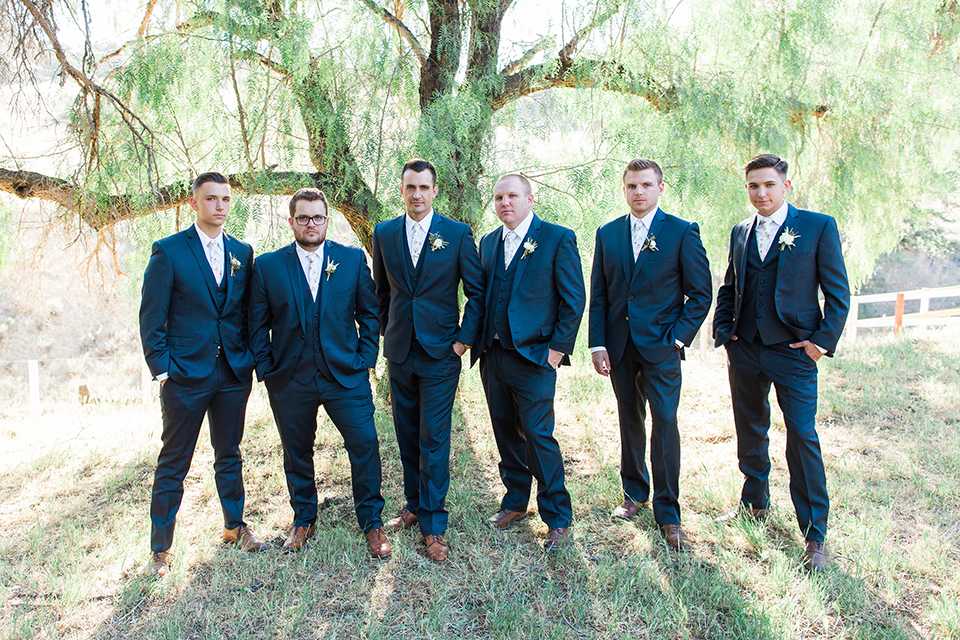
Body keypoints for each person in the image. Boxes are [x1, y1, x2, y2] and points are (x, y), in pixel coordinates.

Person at [713, 154, 850, 571]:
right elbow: (730, 286)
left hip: (794, 352)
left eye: (769, 185)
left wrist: (818, 344)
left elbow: (839, 293)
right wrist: (725, 332)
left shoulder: (817, 226)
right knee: (750, 428)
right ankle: (754, 503)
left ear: (785, 186)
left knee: (801, 436)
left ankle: (814, 535)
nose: (761, 193)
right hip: (746, 350)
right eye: (754, 186)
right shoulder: (740, 231)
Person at [247, 188, 391, 559]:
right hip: (290, 379)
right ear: (291, 221)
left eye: (318, 217)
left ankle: (372, 523)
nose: (311, 224)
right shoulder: (267, 267)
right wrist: (268, 371)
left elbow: (369, 314)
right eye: (303, 218)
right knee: (297, 451)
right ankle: (304, 518)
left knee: (365, 444)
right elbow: (255, 326)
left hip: (346, 375)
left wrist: (365, 361)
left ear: (327, 220)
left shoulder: (351, 259)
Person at [139, 171, 264, 577]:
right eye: (211, 199)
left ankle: (234, 525)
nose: (220, 206)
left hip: (231, 373)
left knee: (229, 453)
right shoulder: (169, 251)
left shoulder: (242, 252)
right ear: (194, 204)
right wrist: (163, 372)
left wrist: (246, 358)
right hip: (184, 377)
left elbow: (246, 313)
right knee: (174, 460)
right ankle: (161, 547)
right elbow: (151, 318)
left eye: (226, 199)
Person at [588, 158, 712, 550]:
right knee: (629, 420)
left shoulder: (680, 232)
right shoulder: (608, 234)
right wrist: (598, 343)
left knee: (665, 423)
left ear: (660, 188)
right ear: (624, 190)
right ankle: (634, 493)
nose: (638, 192)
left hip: (661, 347)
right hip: (620, 347)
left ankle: (669, 512)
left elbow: (700, 294)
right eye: (631, 186)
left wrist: (676, 339)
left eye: (645, 185)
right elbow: (601, 294)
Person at [370, 159, 485, 563]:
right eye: (409, 188)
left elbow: (477, 294)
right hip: (400, 352)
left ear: (435, 191)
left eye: (423, 187)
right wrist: (389, 332)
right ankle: (415, 504)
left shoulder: (456, 234)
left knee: (434, 438)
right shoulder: (383, 234)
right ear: (401, 190)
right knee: (406, 433)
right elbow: (380, 293)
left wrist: (460, 344)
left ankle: (435, 526)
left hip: (441, 354)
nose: (416, 194)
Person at [472, 173, 586, 552]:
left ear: (530, 198)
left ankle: (557, 516)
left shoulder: (556, 237)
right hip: (494, 355)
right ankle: (516, 501)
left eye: (513, 196)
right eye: (499, 197)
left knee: (538, 436)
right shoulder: (488, 243)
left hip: (536, 357)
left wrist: (556, 351)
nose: (505, 202)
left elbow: (573, 300)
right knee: (505, 431)